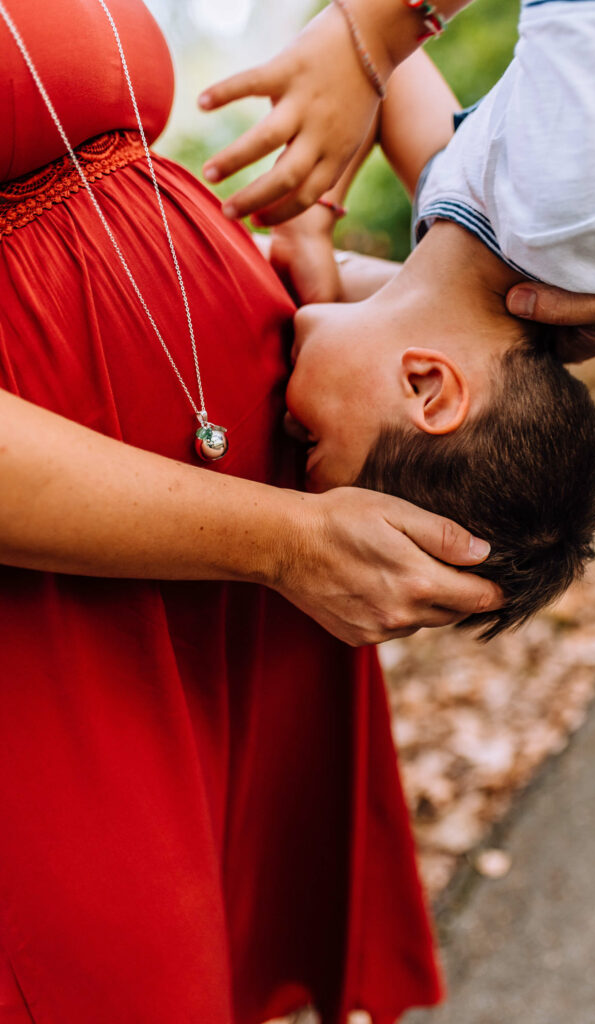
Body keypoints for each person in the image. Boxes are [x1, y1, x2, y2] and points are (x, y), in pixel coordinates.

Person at [0, 2, 507, 1022]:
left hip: (245, 576)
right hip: (59, 595)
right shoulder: (283, 542)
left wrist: (375, 39)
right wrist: (280, 541)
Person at [202, 8, 595, 639]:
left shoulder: (465, 221)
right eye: (312, 441)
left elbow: (395, 74)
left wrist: (312, 218)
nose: (287, 422)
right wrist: (371, 31)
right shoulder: (557, 219)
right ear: (427, 387)